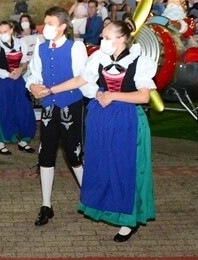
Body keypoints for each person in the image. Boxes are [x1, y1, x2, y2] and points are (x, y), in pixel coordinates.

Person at [47, 20, 156, 242]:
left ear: (122, 39)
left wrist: (112, 95)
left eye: (106, 38)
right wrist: (50, 90)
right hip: (101, 119)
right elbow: (81, 80)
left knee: (125, 168)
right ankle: (107, 208)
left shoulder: (139, 60)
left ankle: (128, 220)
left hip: (127, 120)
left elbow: (144, 96)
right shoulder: (99, 58)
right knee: (102, 166)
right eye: (102, 38)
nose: (102, 41)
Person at [25, 8, 95, 226]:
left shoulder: (76, 47)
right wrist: (33, 86)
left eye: (51, 23)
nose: (46, 27)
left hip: (70, 105)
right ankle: (46, 205)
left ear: (63, 26)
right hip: (48, 107)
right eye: (45, 22)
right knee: (46, 154)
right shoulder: (40, 47)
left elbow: (82, 78)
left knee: (74, 154)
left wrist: (53, 90)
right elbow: (33, 74)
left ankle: (91, 200)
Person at [0, 21, 36, 155]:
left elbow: (25, 61)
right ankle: (0, 142)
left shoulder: (20, 43)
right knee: (3, 110)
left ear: (11, 30)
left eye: (5, 31)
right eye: (1, 32)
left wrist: (19, 70)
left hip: (18, 81)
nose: (3, 34)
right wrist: (6, 74)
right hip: (2, 82)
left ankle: (24, 140)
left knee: (24, 109)